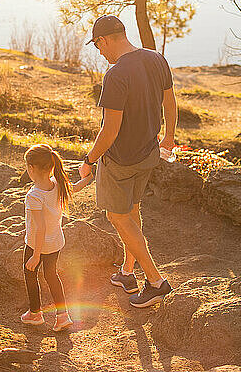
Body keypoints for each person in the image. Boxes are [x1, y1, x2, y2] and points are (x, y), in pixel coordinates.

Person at [79, 15, 178, 308]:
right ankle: (127, 273)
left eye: (98, 46)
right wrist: (168, 138)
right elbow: (170, 103)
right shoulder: (156, 59)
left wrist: (89, 160)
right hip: (148, 154)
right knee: (132, 212)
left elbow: (110, 130)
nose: (100, 52)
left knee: (118, 217)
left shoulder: (116, 74)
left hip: (120, 160)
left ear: (104, 40)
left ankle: (156, 281)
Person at [21, 143, 93, 331]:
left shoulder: (34, 195)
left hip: (36, 244)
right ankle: (62, 316)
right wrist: (89, 177)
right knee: (51, 276)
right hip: (56, 242)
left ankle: (35, 313)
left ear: (32, 168)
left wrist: (36, 255)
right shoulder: (58, 183)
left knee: (30, 275)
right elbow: (76, 187)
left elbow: (40, 228)